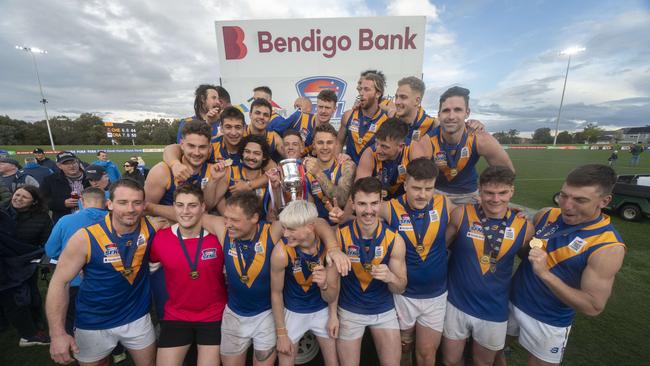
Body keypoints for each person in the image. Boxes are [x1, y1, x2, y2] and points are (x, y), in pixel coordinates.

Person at [146, 190, 349, 366]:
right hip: (234, 315)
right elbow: (187, 214)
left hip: (266, 316)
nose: (228, 224)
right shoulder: (223, 228)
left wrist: (333, 249)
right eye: (226, 218)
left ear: (254, 218)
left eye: (235, 220)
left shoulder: (273, 231)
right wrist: (150, 209)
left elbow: (319, 222)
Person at [329, 158, 451, 366]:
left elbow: (468, 219)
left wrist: (509, 215)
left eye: (428, 188)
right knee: (405, 348)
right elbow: (357, 216)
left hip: (428, 295)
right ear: (405, 186)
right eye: (416, 188)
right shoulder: (386, 209)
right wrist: (340, 219)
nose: (422, 194)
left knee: (426, 353)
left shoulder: (444, 205)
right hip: (389, 299)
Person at [506, 164, 626, 365]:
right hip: (511, 302)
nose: (567, 206)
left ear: (605, 201)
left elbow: (593, 306)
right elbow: (524, 253)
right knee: (489, 354)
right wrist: (515, 225)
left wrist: (545, 273)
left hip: (549, 321)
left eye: (580, 200)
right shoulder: (546, 215)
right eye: (564, 195)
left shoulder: (607, 246)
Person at [47, 178, 161, 366]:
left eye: (137, 202)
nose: (130, 209)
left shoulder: (151, 226)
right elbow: (60, 282)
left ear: (144, 205)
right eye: (123, 202)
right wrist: (57, 334)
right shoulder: (85, 237)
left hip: (137, 317)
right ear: (109, 204)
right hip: (93, 321)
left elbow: (187, 216)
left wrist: (154, 209)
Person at [441, 166, 532, 366]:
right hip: (456, 303)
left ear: (512, 192)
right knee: (450, 361)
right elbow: (439, 251)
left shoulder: (524, 226)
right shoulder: (461, 214)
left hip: (494, 308)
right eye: (489, 193)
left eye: (502, 193)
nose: (495, 199)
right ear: (479, 191)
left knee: (483, 363)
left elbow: (530, 262)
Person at [149, 184, 227, 366]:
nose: (185, 211)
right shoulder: (160, 238)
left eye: (192, 205)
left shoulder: (217, 236)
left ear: (203, 208)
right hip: (176, 315)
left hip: (213, 315)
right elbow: (147, 268)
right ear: (174, 207)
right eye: (180, 205)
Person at [335, 177, 407, 366]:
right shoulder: (339, 236)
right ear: (352, 204)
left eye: (374, 203)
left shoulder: (394, 239)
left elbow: (400, 287)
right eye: (362, 204)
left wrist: (391, 277)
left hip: (383, 311)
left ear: (381, 202)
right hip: (350, 310)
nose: (368, 211)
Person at [270, 200, 340, 366]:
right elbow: (276, 293)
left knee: (333, 361)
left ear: (310, 227)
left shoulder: (328, 247)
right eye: (285, 228)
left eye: (291, 229)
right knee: (285, 360)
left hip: (322, 309)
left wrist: (333, 314)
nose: (285, 234)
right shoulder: (281, 252)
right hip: (293, 311)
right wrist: (281, 334)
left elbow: (332, 294)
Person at [423, 86, 513, 205]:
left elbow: (508, 174)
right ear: (439, 114)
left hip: (469, 195)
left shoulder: (482, 139)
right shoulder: (426, 142)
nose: (451, 116)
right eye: (446, 110)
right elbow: (415, 181)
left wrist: (489, 198)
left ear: (467, 113)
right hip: (436, 194)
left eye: (458, 110)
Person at [44, 187, 107, 335]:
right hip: (106, 279)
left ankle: (78, 347)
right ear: (105, 202)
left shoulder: (65, 220)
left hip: (73, 280)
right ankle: (117, 350)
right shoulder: (113, 220)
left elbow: (51, 251)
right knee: (108, 315)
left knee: (74, 317)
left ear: (82, 201)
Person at [145, 120, 215, 206]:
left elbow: (208, 208)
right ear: (182, 144)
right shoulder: (161, 172)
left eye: (202, 147)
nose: (196, 153)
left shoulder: (214, 172)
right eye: (191, 146)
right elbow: (145, 208)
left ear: (209, 148)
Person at [356, 118, 427, 200]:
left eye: (384, 146)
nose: (377, 150)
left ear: (400, 146)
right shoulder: (369, 153)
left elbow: (421, 188)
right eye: (377, 143)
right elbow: (360, 192)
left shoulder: (413, 150)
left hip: (406, 200)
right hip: (377, 201)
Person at [337, 72, 390, 164]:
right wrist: (337, 162)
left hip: (372, 175)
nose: (361, 93)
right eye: (360, 89)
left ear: (378, 94)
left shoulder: (387, 120)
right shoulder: (348, 115)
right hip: (349, 173)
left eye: (366, 89)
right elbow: (338, 143)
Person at [214, 135, 272, 217]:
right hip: (231, 224)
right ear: (242, 153)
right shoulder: (229, 172)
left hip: (258, 225)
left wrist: (248, 185)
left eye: (257, 153)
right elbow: (217, 200)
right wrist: (231, 220)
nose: (251, 157)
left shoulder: (269, 177)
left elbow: (272, 211)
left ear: (264, 157)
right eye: (247, 152)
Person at [41, 151, 90, 223]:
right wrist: (62, 203)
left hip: (89, 220)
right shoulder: (50, 180)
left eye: (73, 162)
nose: (71, 166)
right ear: (59, 165)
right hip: (65, 221)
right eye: (66, 163)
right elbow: (42, 200)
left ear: (78, 162)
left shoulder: (91, 177)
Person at [394, 76, 437, 144]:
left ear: (417, 101)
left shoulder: (431, 126)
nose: (397, 102)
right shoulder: (390, 119)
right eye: (396, 97)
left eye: (403, 97)